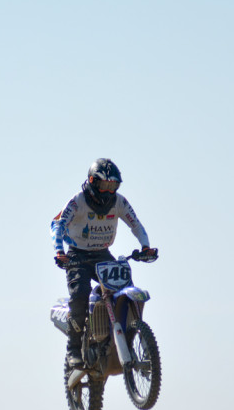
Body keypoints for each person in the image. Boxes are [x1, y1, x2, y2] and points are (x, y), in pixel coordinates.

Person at [52, 158, 157, 368]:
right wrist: (58, 251)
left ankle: (127, 334)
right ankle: (73, 349)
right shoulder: (78, 201)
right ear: (92, 182)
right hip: (77, 256)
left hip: (102, 254)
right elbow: (59, 224)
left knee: (125, 287)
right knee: (80, 295)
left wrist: (146, 246)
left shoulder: (119, 202)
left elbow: (135, 224)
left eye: (113, 187)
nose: (108, 192)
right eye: (103, 186)